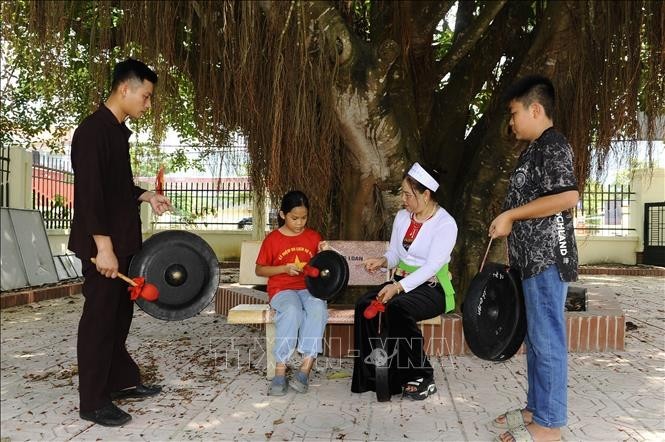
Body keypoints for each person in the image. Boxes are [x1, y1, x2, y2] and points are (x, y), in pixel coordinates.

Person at [68, 58, 172, 426]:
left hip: (122, 241)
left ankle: (121, 381)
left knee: (119, 317)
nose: (148, 104)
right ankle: (93, 401)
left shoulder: (115, 132)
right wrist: (103, 248)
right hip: (104, 247)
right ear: (124, 89)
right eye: (145, 96)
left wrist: (145, 195)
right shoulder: (93, 132)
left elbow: (114, 189)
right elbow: (90, 196)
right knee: (99, 320)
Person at [489, 75, 579, 442]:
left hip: (547, 259)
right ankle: (535, 409)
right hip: (530, 262)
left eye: (514, 113)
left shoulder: (553, 145)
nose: (511, 122)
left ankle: (550, 425)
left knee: (548, 339)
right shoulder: (532, 150)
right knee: (536, 338)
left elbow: (567, 197)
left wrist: (510, 216)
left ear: (535, 109)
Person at [351, 163, 457, 400]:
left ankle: (421, 374)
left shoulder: (445, 224)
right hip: (401, 282)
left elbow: (431, 266)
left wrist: (397, 287)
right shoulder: (402, 217)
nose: (403, 199)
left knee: (398, 308)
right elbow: (397, 255)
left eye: (408, 194)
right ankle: (375, 376)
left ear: (426, 195)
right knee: (364, 305)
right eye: (403, 193)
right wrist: (382, 261)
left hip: (432, 287)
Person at [255, 190, 328, 395]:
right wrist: (284, 269)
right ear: (282, 214)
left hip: (309, 288)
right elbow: (260, 270)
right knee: (292, 311)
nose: (299, 223)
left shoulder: (313, 237)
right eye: (294, 218)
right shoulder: (273, 240)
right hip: (282, 289)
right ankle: (280, 370)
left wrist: (326, 253)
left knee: (318, 309)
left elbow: (324, 268)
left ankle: (304, 370)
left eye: (304, 218)